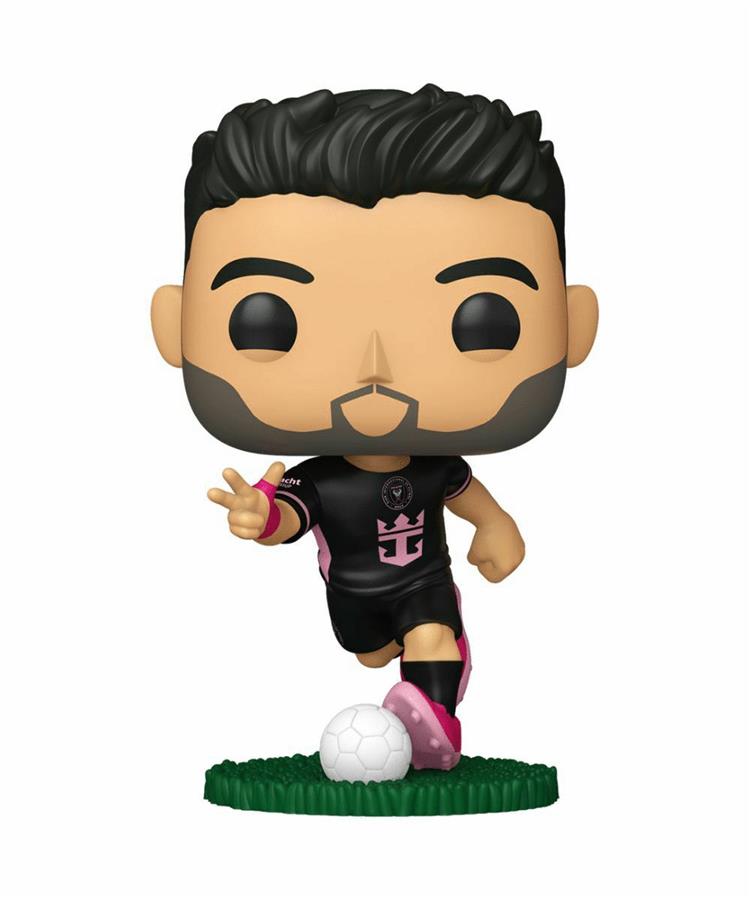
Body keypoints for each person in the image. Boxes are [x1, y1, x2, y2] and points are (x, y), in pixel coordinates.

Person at [151, 84, 598, 769]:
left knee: (430, 635)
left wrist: (498, 524)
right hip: (354, 597)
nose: (375, 369)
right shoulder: (320, 478)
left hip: (424, 580)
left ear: (574, 325)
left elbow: (466, 493)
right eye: (266, 321)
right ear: (174, 327)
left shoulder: (434, 466)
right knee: (368, 652)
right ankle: (409, 664)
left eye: (483, 320)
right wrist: (261, 516)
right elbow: (291, 515)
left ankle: (439, 720)